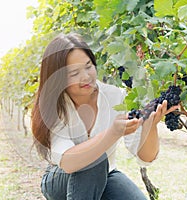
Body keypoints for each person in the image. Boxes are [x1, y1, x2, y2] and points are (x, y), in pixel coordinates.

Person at [31, 33, 179, 200]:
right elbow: (68, 162)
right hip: (60, 178)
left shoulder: (116, 97)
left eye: (88, 66)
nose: (86, 77)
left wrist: (150, 126)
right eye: (74, 73)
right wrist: (112, 134)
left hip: (106, 175)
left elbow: (145, 157)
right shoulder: (54, 106)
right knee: (96, 159)